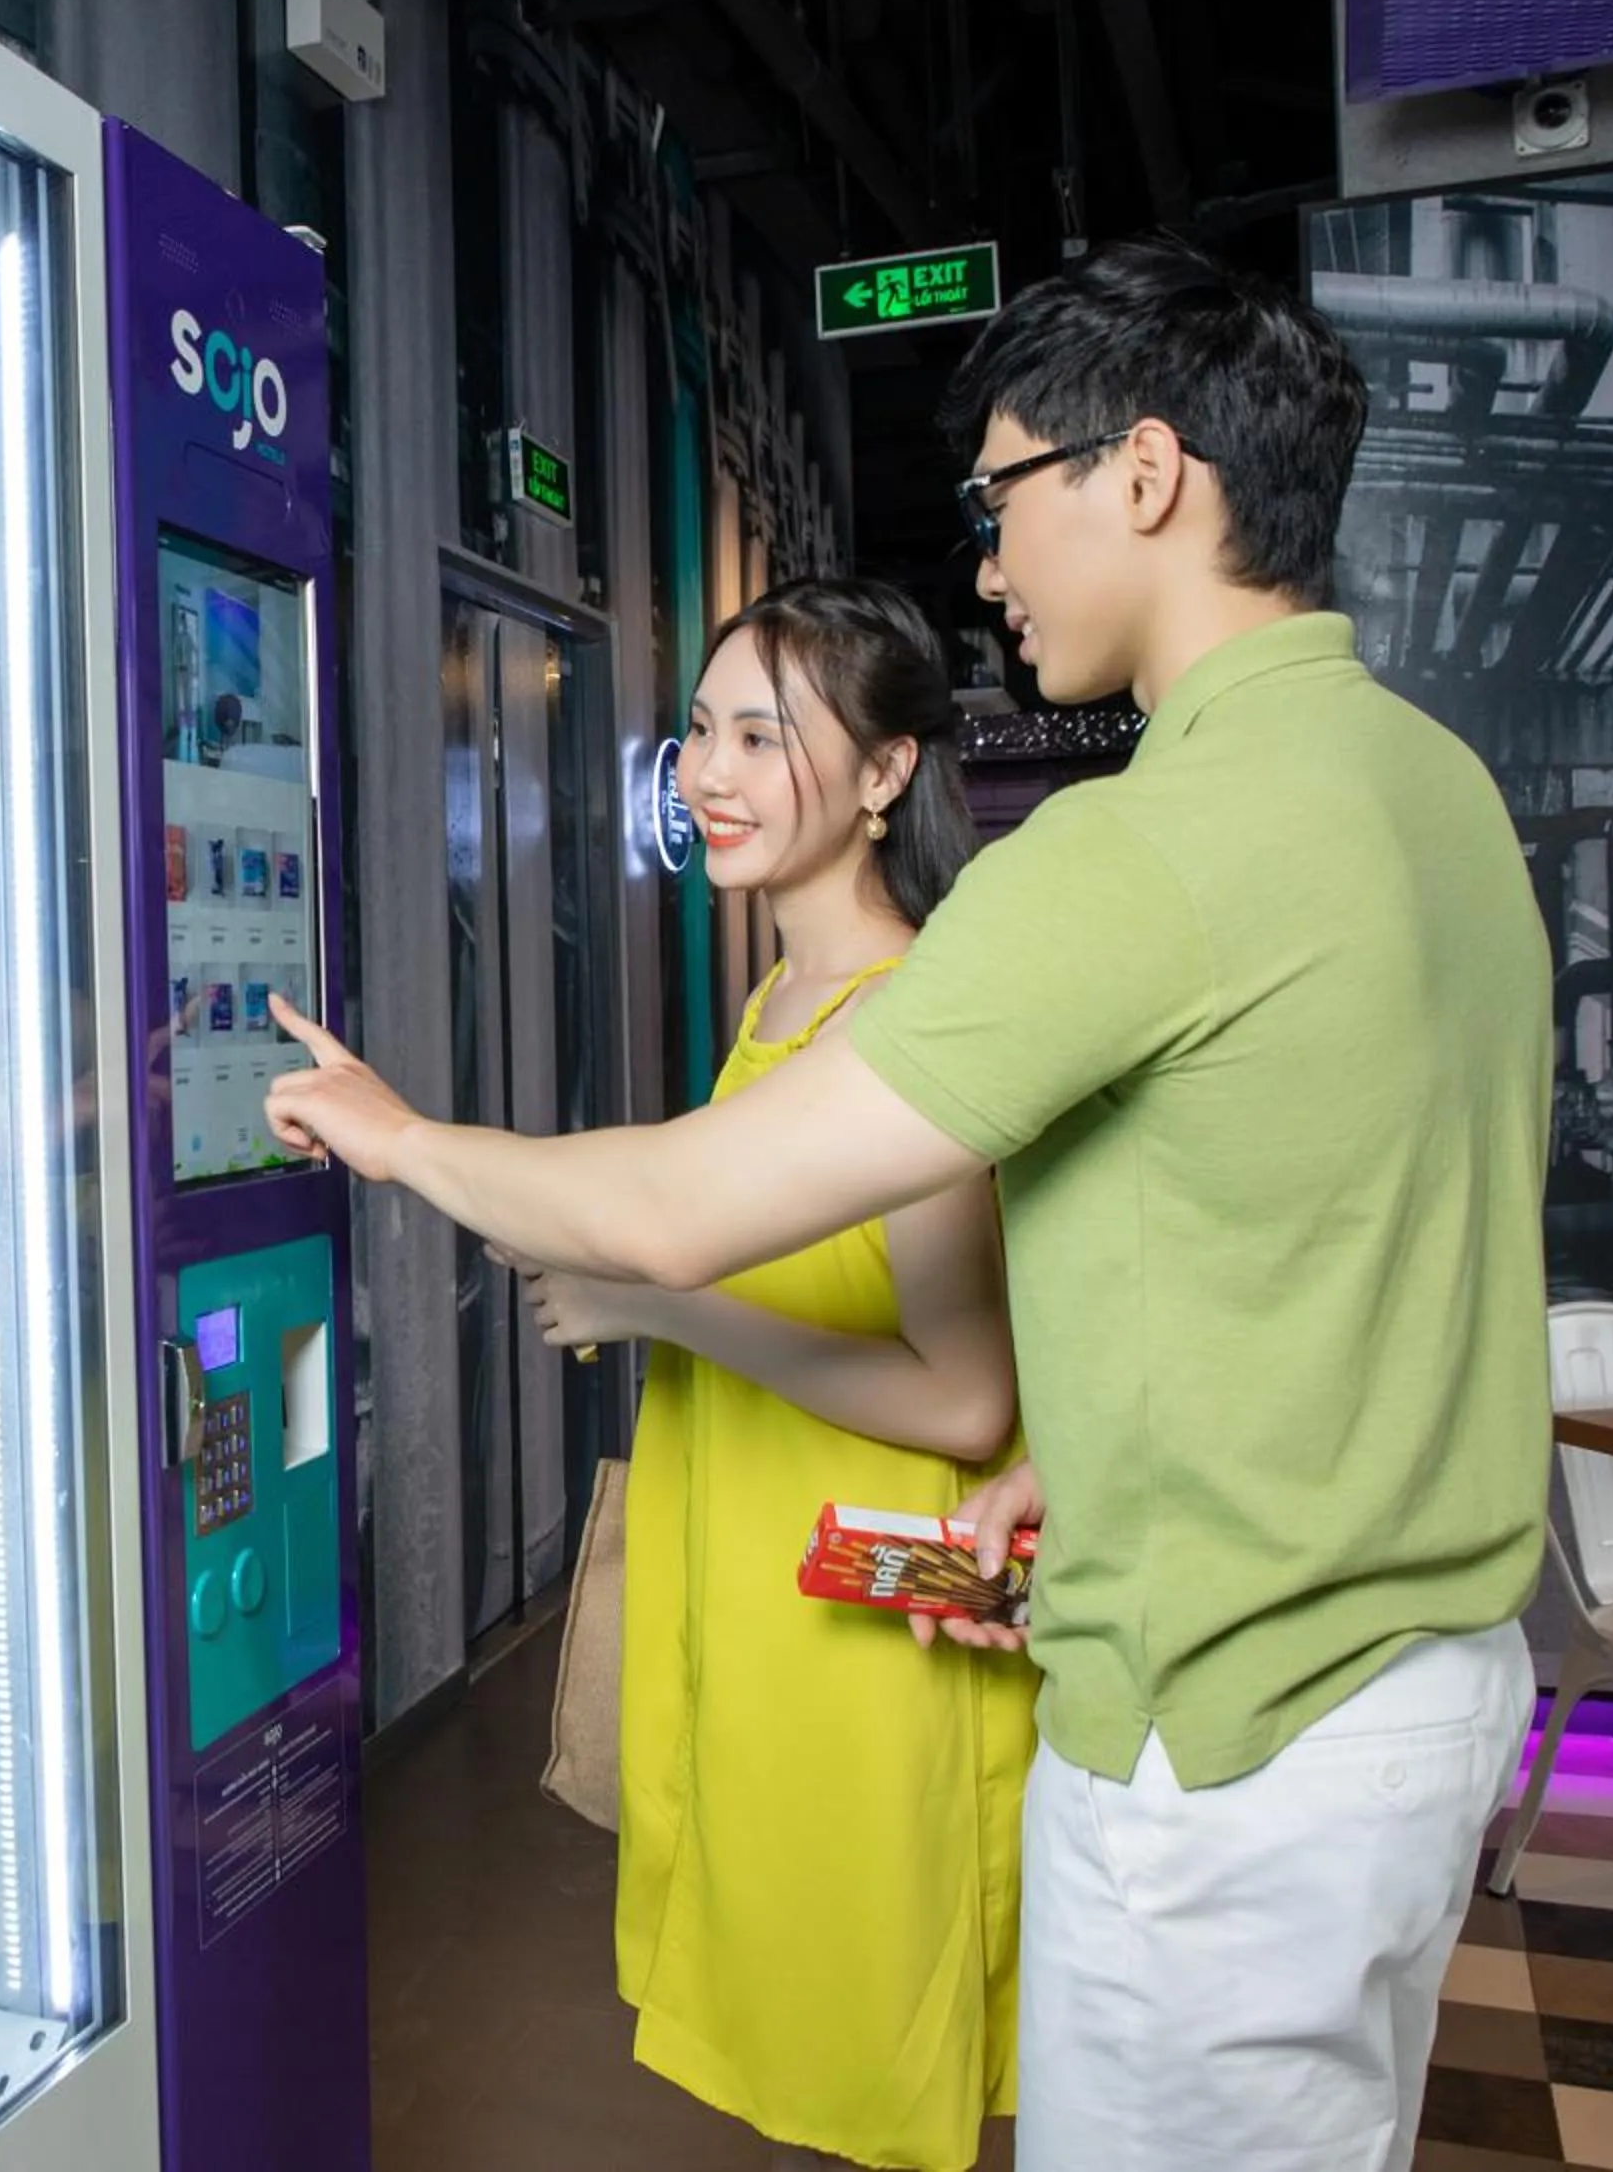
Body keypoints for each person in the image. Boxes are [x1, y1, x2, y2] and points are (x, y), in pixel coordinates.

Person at [269, 237, 1549, 2172]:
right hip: (1422, 1693)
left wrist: (394, 1135)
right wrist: (1104, 1456)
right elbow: (1337, 1226)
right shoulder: (1432, 785)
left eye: (1000, 500)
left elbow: (697, 1211)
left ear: (1143, 474)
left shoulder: (1142, 849)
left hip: (1231, 1732)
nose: (986, 568)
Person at [512, 576, 1031, 2171]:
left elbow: (965, 1399)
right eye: (700, 732)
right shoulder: (775, 999)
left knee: (874, 2058)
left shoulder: (917, 1018)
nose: (708, 775)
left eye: (764, 735)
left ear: (886, 775)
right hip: (756, 1590)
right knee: (794, 2050)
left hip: (872, 1612)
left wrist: (669, 1305)